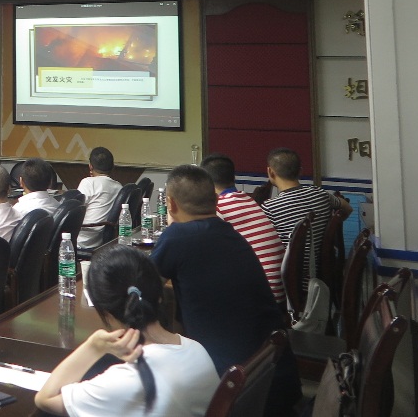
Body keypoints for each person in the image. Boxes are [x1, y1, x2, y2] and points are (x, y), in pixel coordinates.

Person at [150, 165, 300, 416]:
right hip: (272, 379)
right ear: (215, 199)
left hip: (231, 390)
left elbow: (141, 285)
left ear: (171, 204)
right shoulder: (228, 231)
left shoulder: (178, 235)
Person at [36, 245, 219, 417]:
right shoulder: (197, 350)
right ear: (159, 296)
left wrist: (93, 347)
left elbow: (45, 399)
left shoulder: (125, 381)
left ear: (106, 313)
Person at [200, 153, 285, 305]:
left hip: (260, 299)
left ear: (205, 183)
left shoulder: (218, 208)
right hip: (277, 292)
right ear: (234, 177)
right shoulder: (248, 200)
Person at [259, 148, 351, 263]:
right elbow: (348, 208)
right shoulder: (321, 193)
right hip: (325, 268)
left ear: (270, 172)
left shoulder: (270, 208)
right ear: (300, 171)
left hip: (291, 271)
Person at [77, 147, 124, 249]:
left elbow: (74, 211)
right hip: (102, 240)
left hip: (80, 241)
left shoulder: (88, 183)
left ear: (90, 166)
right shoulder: (119, 187)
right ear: (113, 167)